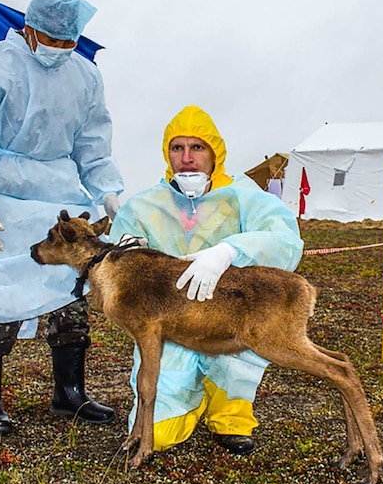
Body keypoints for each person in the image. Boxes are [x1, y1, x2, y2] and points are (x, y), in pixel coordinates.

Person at [0, 0, 124, 436]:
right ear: (29, 28)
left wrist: (108, 190)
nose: (62, 48)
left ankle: (70, 393)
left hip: (61, 198)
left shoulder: (85, 76)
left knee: (71, 293)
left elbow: (93, 146)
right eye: (54, 39)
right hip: (0, 201)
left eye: (70, 40)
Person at [108, 105, 303, 455]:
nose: (186, 158)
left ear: (215, 152)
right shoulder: (144, 206)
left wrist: (230, 251)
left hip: (231, 319)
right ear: (167, 154)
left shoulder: (244, 195)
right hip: (171, 330)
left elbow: (286, 240)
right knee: (159, 433)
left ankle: (229, 413)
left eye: (197, 147)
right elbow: (119, 255)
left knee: (236, 362)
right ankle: (188, 398)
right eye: (177, 148)